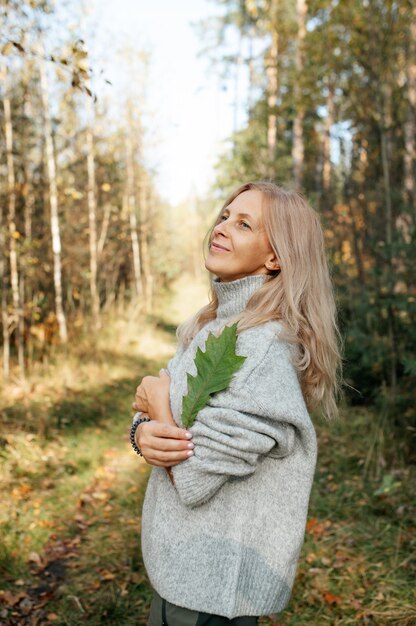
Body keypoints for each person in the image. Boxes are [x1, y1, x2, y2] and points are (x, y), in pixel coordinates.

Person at [130, 181, 341, 626]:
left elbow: (192, 478)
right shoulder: (209, 326)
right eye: (225, 215)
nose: (221, 227)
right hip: (181, 567)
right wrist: (141, 432)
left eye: (244, 224)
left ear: (275, 257)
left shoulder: (264, 350)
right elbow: (154, 411)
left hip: (214, 588)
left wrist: (159, 409)